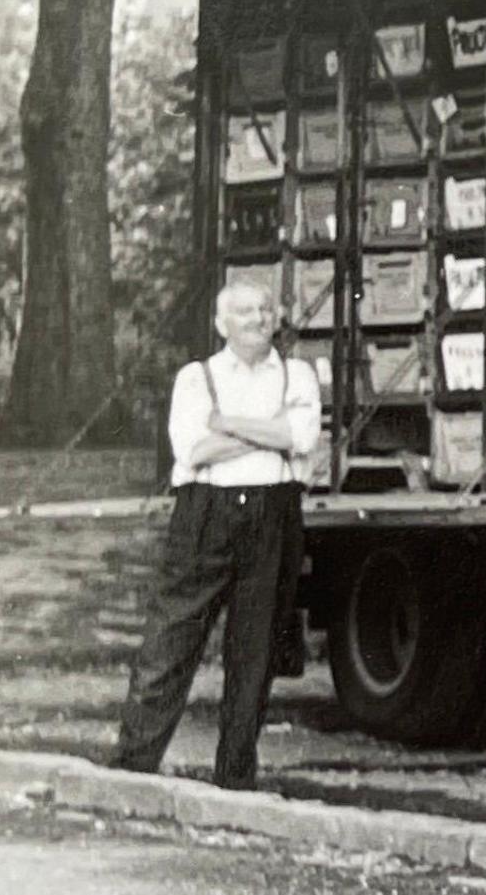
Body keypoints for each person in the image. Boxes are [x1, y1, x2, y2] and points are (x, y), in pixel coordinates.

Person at [112, 281, 322, 789]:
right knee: (171, 638)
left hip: (273, 516)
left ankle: (235, 777)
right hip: (205, 513)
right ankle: (133, 768)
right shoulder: (195, 377)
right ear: (221, 323)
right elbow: (193, 450)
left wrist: (227, 424)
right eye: (244, 311)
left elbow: (300, 438)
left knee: (255, 650)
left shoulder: (298, 374)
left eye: (265, 309)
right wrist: (266, 436)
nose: (257, 318)